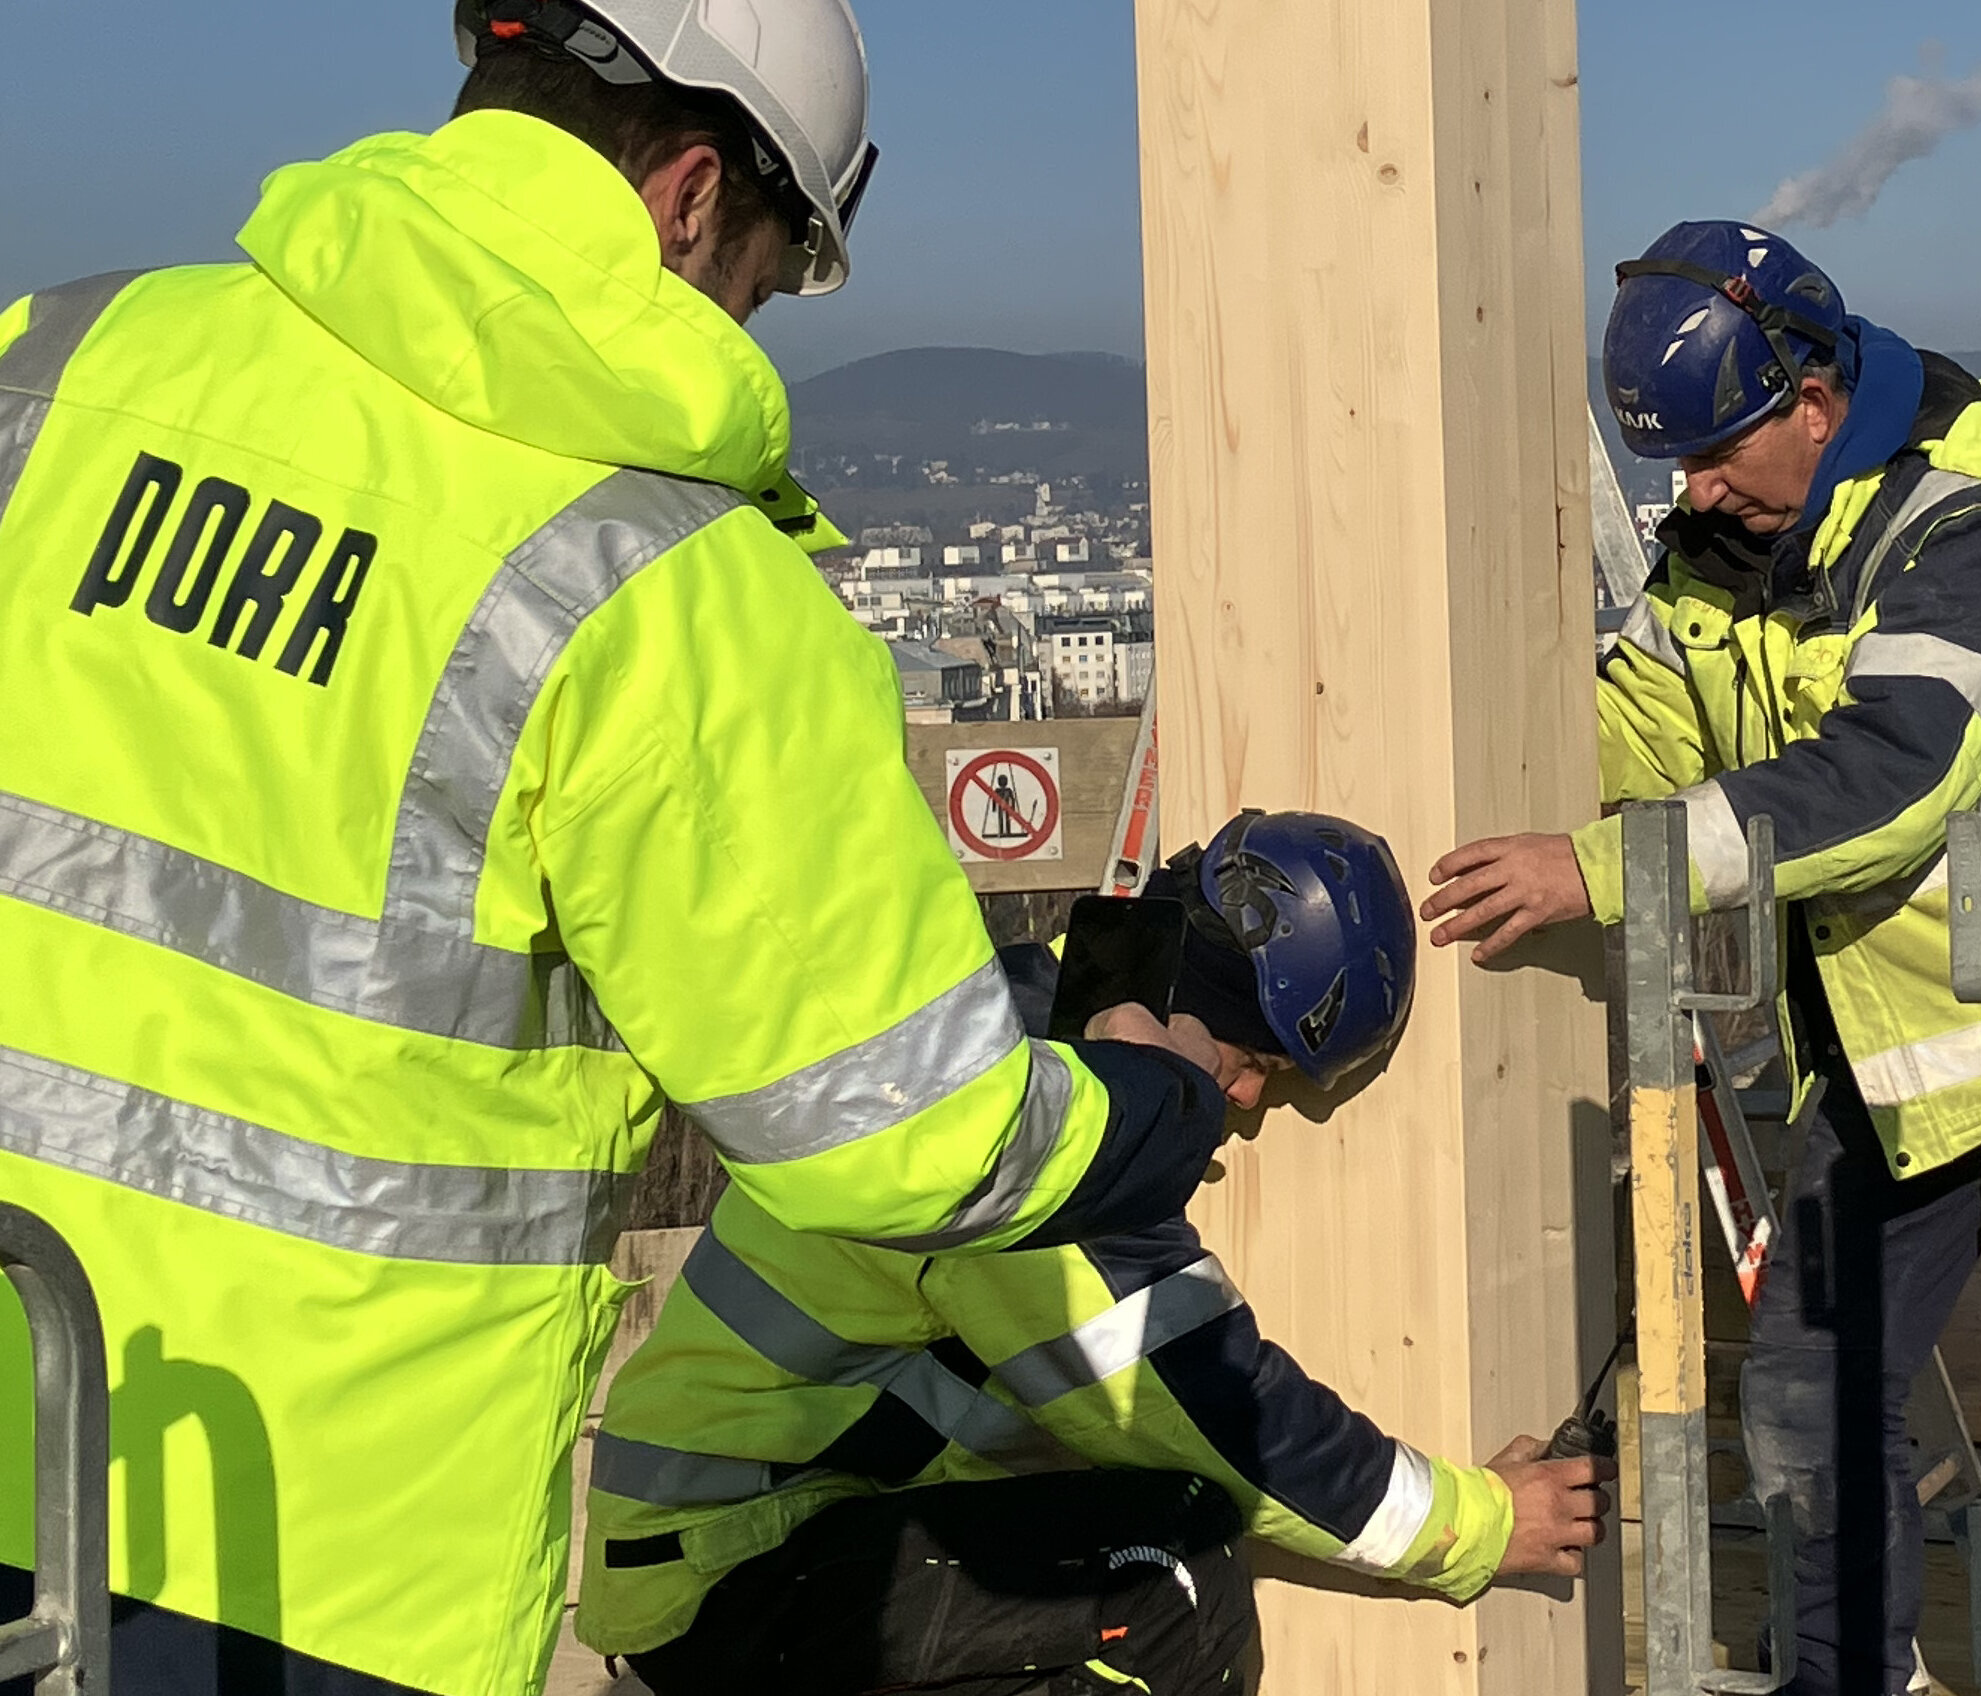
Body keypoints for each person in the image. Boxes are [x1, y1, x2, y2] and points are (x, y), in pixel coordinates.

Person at [0, 6, 1231, 1693]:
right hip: (325, 1549)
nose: (758, 320)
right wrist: (1151, 1103)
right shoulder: (672, 587)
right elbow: (900, 1139)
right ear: (691, 192)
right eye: (780, 269)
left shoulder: (62, 359)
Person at [1423, 221, 1981, 1696]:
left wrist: (1599, 870)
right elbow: (1633, 745)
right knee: (1806, 1421)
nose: (1688, 491)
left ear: (1809, 399)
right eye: (1667, 466)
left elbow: (1892, 774)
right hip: (1896, 1068)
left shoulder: (1970, 529)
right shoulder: (1715, 562)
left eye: (1710, 452)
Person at [579, 811, 1615, 1695]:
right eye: (1250, 1061)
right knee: (1170, 1574)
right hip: (734, 1569)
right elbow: (1220, 1416)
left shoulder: (1025, 1039)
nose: (1248, 1104)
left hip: (762, 1546)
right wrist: (1480, 1526)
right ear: (1181, 998)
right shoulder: (1029, 1136)